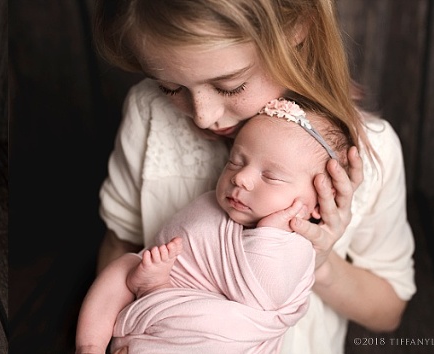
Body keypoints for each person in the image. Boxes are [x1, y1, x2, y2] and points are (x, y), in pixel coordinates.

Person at [91, 0, 416, 353]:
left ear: (297, 28)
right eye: (171, 87)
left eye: (230, 86)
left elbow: (388, 311)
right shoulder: (150, 112)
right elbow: (120, 244)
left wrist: (319, 263)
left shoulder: (373, 150)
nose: (203, 116)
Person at [78, 98, 354, 353]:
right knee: (126, 266)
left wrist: (271, 230)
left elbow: (262, 296)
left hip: (217, 340)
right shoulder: (209, 205)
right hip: (155, 313)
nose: (241, 178)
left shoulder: (296, 248)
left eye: (271, 177)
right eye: (235, 162)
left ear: (318, 201)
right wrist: (155, 284)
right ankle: (90, 344)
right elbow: (175, 251)